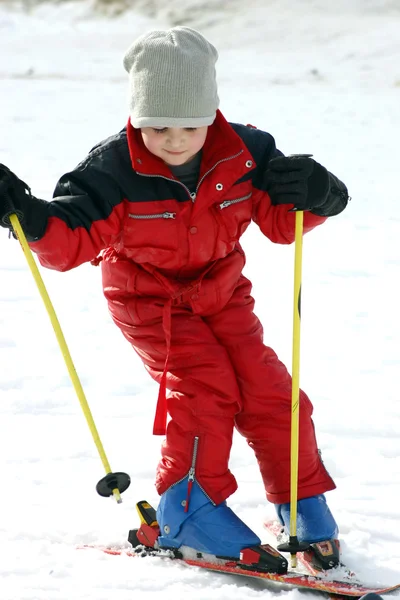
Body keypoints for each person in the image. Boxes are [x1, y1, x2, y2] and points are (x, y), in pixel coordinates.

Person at [0, 27, 349, 566]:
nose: (175, 139)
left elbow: (283, 223)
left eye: (190, 125)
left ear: (213, 112)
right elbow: (70, 243)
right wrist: (31, 215)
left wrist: (323, 194)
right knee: (206, 386)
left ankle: (300, 497)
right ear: (138, 116)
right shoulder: (111, 170)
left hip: (223, 288)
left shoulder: (248, 152)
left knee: (267, 387)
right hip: (147, 299)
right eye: (157, 125)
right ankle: (187, 508)